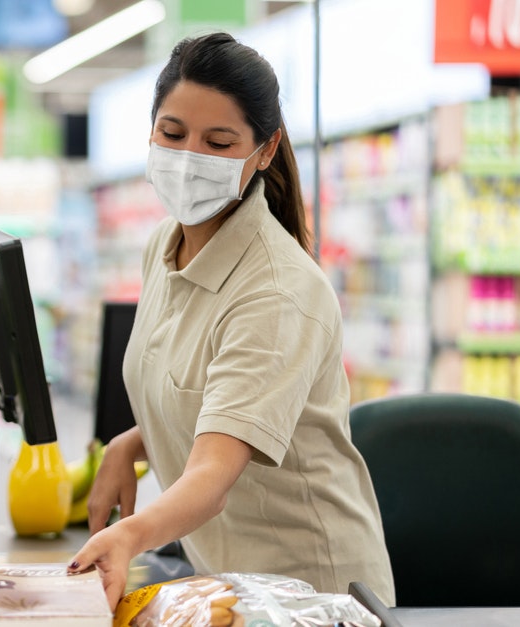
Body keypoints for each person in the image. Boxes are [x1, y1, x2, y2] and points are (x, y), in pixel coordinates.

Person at [67, 32, 396, 610]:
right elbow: (211, 396)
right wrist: (132, 443)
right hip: (232, 586)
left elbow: (214, 476)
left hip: (313, 596)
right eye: (172, 134)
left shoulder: (277, 291)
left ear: (264, 152)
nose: (189, 158)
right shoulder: (165, 247)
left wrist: (129, 535)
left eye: (219, 143)